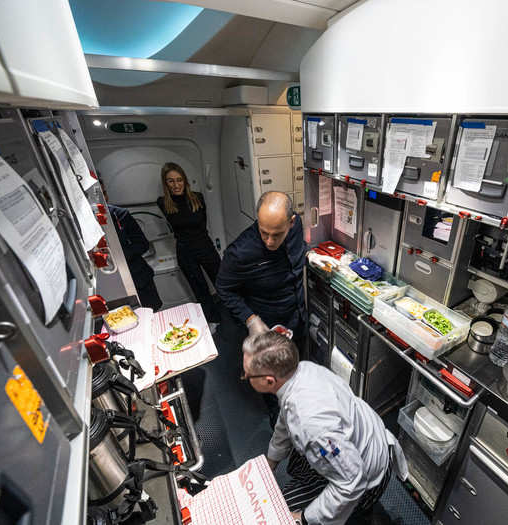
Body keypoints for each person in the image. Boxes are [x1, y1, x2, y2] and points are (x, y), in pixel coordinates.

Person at [242, 331, 408, 525]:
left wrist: (304, 517)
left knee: (285, 515)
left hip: (366, 469)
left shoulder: (312, 425)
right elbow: (285, 419)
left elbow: (351, 482)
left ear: (269, 381)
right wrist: (271, 461)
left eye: (247, 375)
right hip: (355, 439)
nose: (245, 376)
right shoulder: (301, 369)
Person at [216, 191, 307, 343]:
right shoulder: (240, 252)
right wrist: (250, 319)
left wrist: (310, 254)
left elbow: (297, 250)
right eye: (264, 233)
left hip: (298, 316)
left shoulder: (296, 226)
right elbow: (223, 288)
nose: (270, 242)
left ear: (291, 222)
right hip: (267, 326)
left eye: (277, 234)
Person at [157, 162, 221, 323]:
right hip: (185, 251)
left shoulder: (198, 197)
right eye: (170, 181)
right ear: (165, 184)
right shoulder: (163, 203)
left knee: (222, 283)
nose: (176, 184)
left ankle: (235, 317)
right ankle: (212, 321)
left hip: (205, 246)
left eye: (179, 180)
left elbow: (203, 225)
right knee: (200, 290)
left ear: (185, 180)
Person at [101, 181, 162, 311]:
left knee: (152, 311)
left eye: (104, 193)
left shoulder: (121, 214)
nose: (103, 198)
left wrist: (117, 256)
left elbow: (143, 244)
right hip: (111, 283)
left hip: (139, 276)